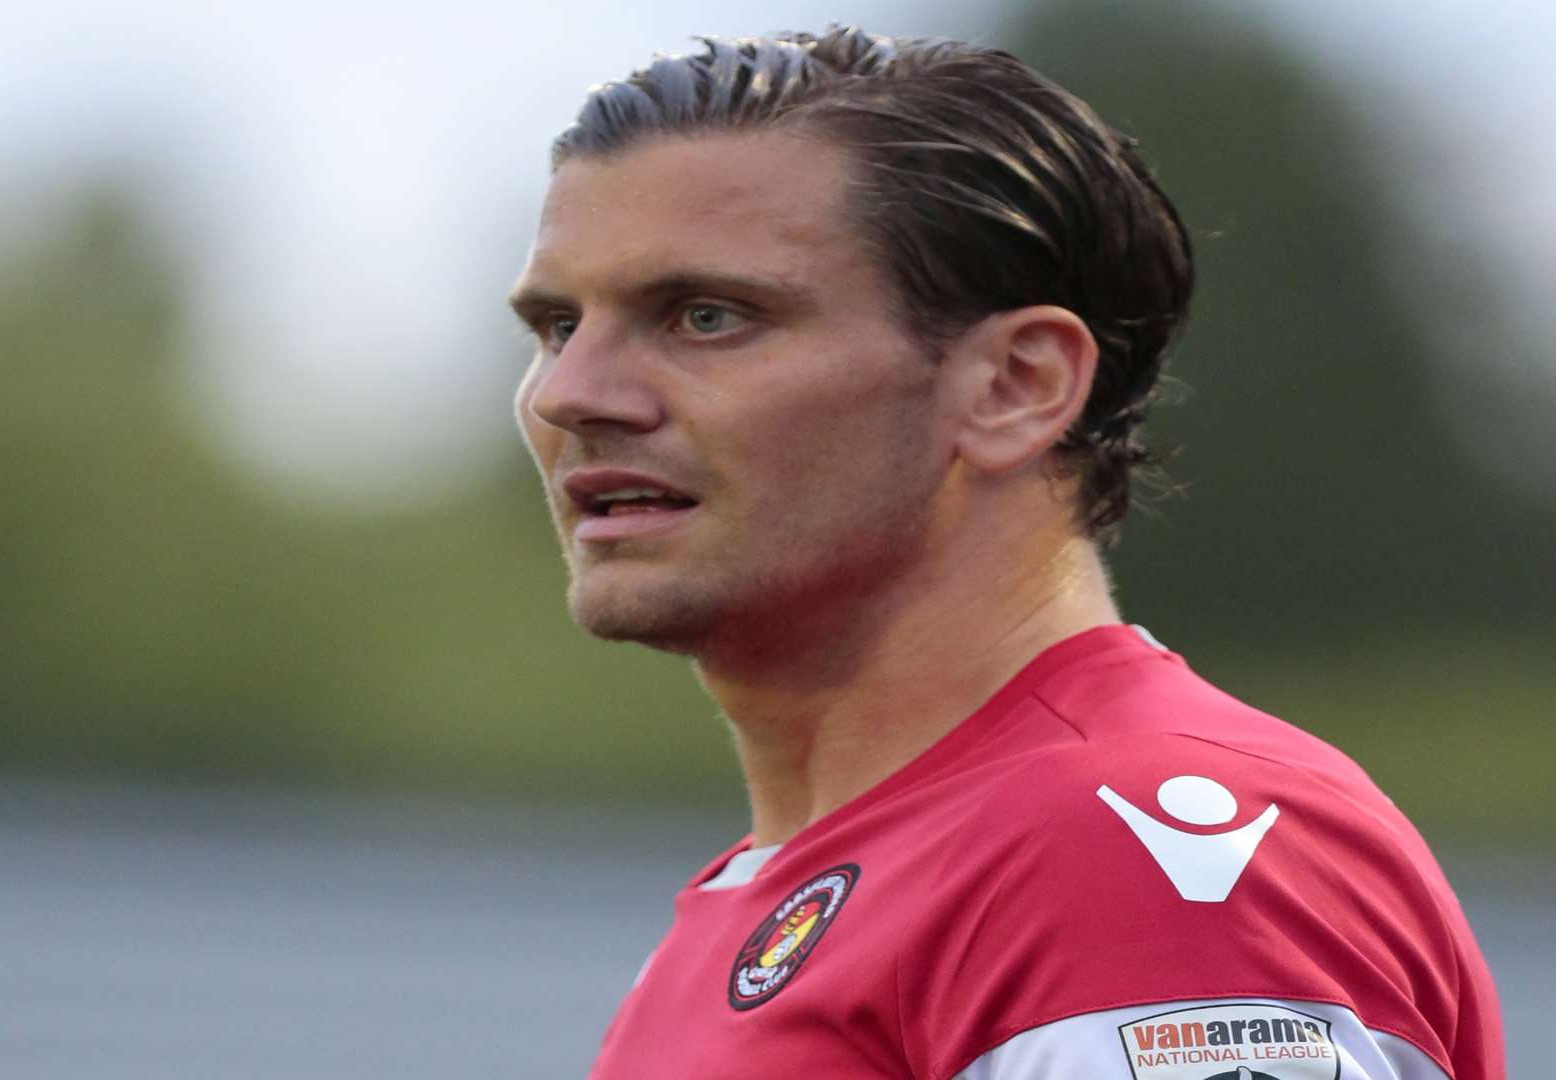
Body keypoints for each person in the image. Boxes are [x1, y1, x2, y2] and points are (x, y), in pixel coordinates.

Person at [507, 26, 1503, 1080]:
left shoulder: (1142, 854)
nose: (574, 394)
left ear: (1016, 385)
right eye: (559, 326)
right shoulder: (792, 889)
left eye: (707, 316)